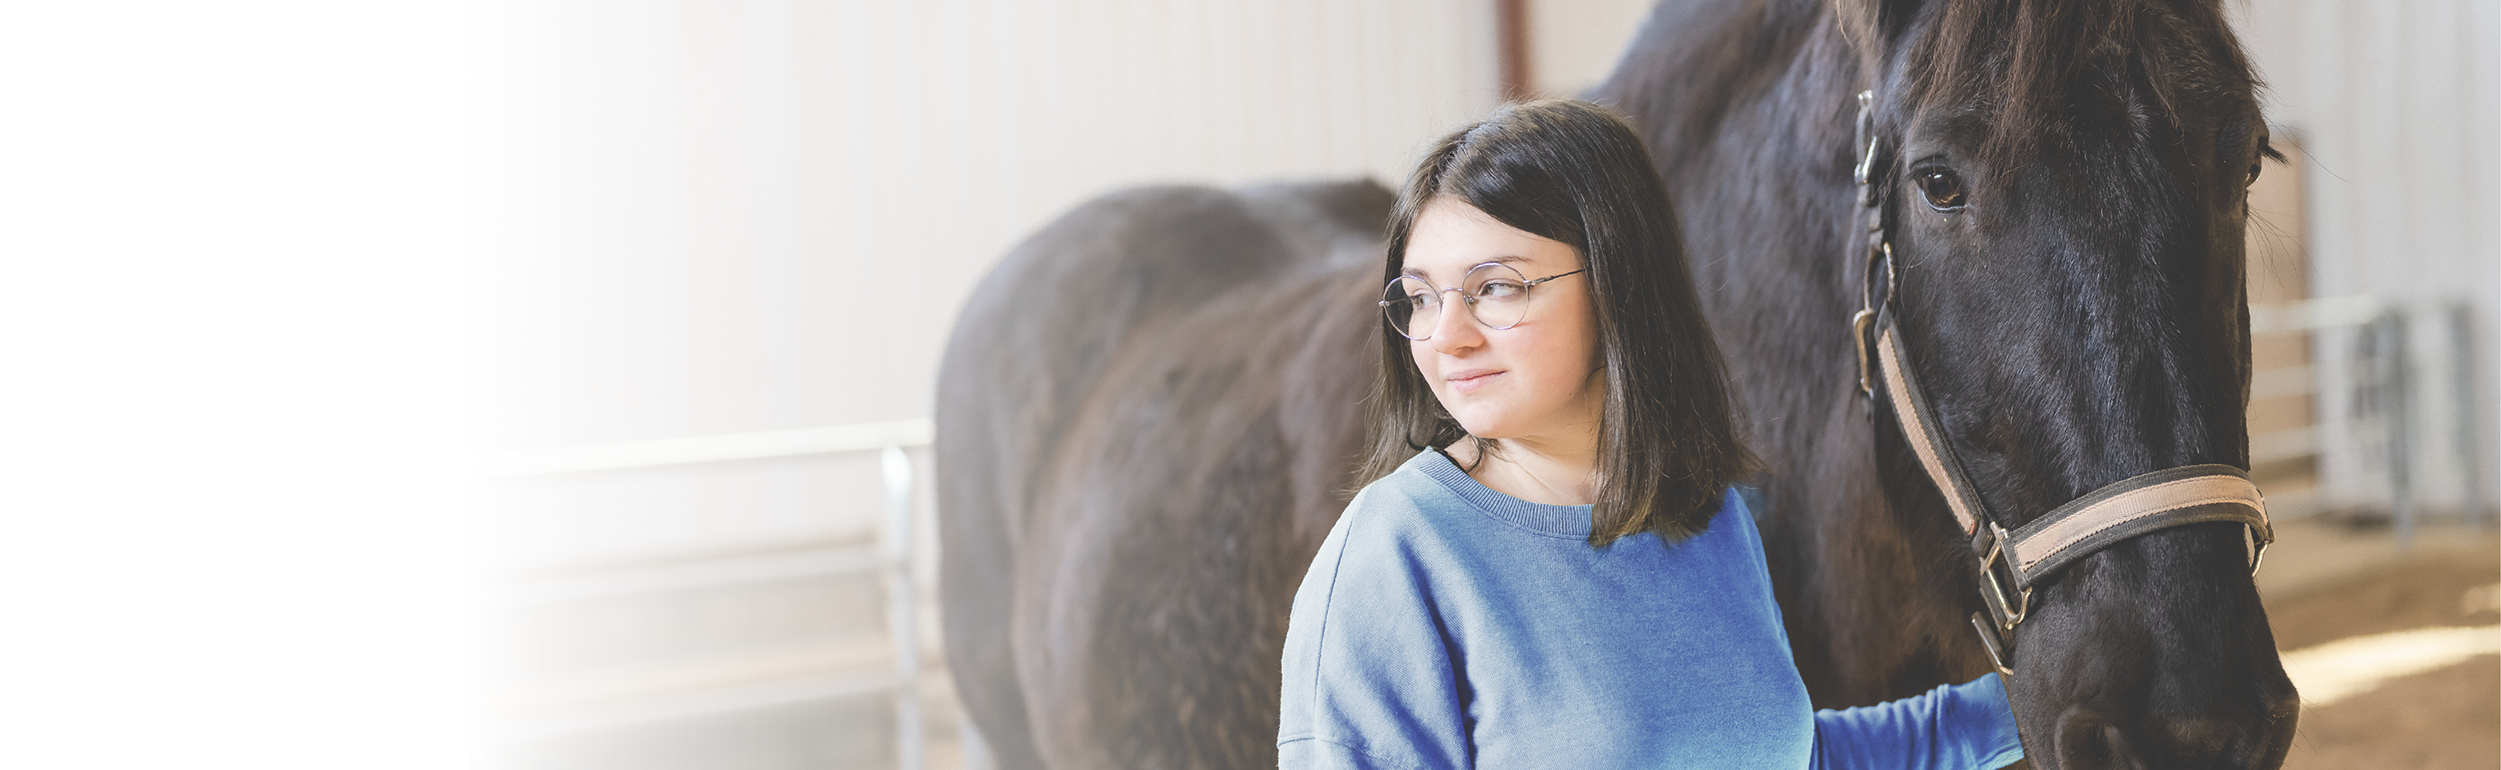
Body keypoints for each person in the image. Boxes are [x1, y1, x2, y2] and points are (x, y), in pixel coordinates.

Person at [1274, 100, 2024, 769]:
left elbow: (1778, 754)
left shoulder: (1705, 517)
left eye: (1493, 287)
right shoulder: (1395, 554)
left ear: (1617, 282)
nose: (1447, 336)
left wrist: (2043, 701)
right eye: (1420, 299)